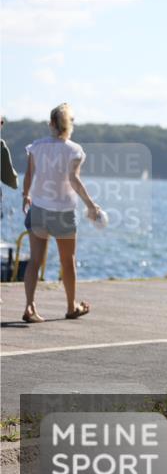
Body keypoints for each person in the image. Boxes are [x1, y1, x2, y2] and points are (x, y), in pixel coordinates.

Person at [21, 103, 103, 323]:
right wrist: (91, 205)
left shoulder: (36, 147)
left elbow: (29, 175)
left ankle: (30, 307)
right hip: (63, 212)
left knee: (35, 260)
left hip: (38, 209)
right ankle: (70, 306)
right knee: (68, 261)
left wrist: (25, 195)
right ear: (69, 125)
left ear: (51, 124)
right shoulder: (74, 150)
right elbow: (74, 180)